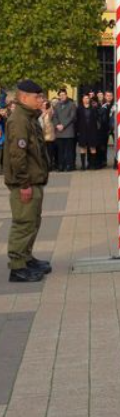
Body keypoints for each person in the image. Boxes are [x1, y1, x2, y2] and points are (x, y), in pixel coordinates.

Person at [3, 80, 52, 283]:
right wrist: (23, 184)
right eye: (37, 97)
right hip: (26, 182)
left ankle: (26, 257)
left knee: (32, 222)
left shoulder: (29, 117)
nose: (41, 100)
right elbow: (17, 155)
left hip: (33, 180)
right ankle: (17, 267)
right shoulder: (19, 120)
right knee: (23, 223)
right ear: (23, 97)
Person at [52, 89, 77, 172]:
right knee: (60, 151)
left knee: (68, 150)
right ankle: (61, 166)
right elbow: (54, 117)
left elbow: (72, 117)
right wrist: (57, 125)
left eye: (63, 94)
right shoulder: (56, 105)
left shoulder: (72, 105)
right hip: (59, 132)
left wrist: (63, 125)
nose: (62, 96)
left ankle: (69, 166)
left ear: (66, 95)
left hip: (68, 131)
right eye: (60, 95)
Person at [74, 94, 100, 170]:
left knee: (93, 148)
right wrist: (77, 131)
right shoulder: (79, 108)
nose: (86, 99)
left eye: (87, 98)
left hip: (92, 131)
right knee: (83, 148)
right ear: (82, 99)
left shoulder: (93, 108)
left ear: (89, 99)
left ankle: (92, 165)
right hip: (82, 131)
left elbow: (97, 119)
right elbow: (77, 120)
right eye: (84, 98)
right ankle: (83, 165)